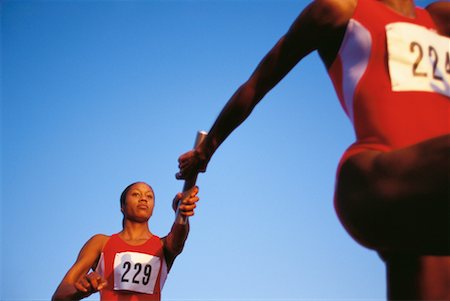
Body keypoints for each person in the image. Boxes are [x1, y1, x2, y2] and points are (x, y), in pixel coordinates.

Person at [176, 0, 449, 300]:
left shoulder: (439, 18)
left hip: (432, 188)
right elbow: (256, 85)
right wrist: (208, 148)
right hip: (371, 179)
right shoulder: (340, 9)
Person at [52, 182, 200, 301]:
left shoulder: (163, 246)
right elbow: (59, 295)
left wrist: (181, 215)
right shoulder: (100, 243)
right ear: (122, 206)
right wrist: (81, 290)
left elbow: (179, 237)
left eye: (149, 196)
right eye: (136, 194)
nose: (143, 198)